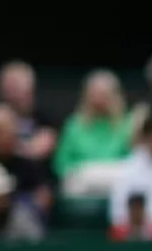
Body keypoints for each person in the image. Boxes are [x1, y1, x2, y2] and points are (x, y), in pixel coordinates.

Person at [54, 70, 136, 198]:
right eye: (95, 94)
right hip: (82, 179)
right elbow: (61, 163)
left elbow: (134, 159)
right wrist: (82, 170)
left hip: (116, 177)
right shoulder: (73, 126)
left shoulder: (127, 126)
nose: (99, 100)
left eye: (104, 94)